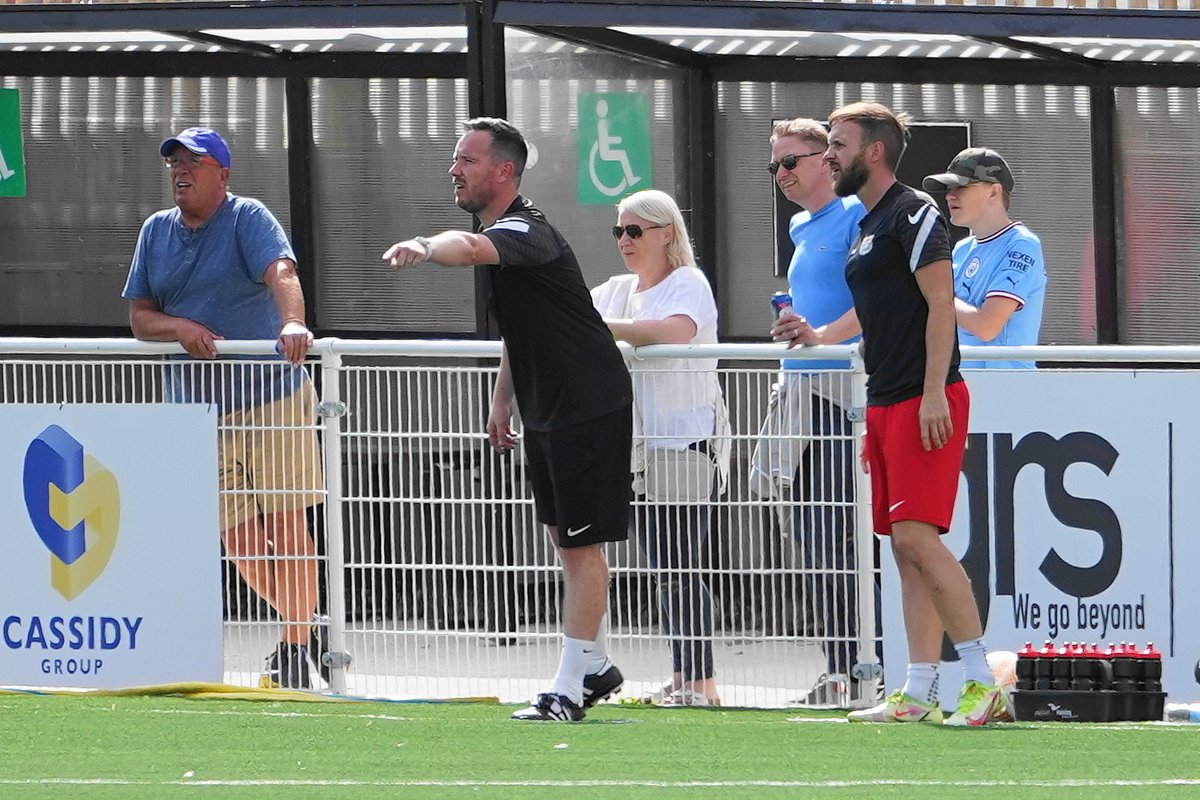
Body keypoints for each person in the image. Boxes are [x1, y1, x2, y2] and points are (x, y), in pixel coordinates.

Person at [382, 117, 633, 722]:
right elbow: (522, 331)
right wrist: (503, 400)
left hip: (587, 402)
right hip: (546, 406)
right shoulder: (505, 234)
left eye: (466, 160)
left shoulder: (526, 229)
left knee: (581, 548)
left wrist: (423, 246)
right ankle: (595, 666)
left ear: (504, 172)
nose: (454, 169)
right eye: (455, 159)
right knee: (563, 537)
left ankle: (569, 689)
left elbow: (464, 248)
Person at [811, 102, 1002, 726]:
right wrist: (817, 339)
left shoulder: (913, 210)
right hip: (885, 400)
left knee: (920, 537)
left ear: (873, 152)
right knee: (900, 546)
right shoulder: (866, 225)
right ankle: (918, 689)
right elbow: (876, 311)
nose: (827, 155)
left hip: (926, 398)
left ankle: (980, 679)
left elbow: (940, 304)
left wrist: (929, 393)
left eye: (837, 144)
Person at [122, 127, 327, 690]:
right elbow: (140, 319)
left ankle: (292, 644)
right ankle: (305, 622)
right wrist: (179, 327)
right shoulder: (154, 231)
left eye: (195, 160)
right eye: (174, 162)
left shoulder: (248, 217)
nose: (180, 170)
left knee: (286, 527)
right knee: (235, 539)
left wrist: (292, 321)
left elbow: (282, 272)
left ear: (223, 174)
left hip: (271, 397)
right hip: (196, 411)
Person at [590, 189, 728, 707]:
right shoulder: (616, 290)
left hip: (684, 443)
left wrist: (597, 328)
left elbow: (673, 331)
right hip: (636, 450)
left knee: (679, 565)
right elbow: (573, 315)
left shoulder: (687, 282)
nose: (624, 241)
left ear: (667, 232)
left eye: (635, 231)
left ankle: (701, 681)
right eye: (618, 231)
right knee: (664, 566)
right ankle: (683, 675)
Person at [752, 118, 872, 706]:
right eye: (774, 166)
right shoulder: (800, 225)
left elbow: (872, 299)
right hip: (800, 395)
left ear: (828, 159)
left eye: (790, 162)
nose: (781, 175)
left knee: (834, 534)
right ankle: (838, 667)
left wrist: (823, 335)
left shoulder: (856, 216)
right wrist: (799, 329)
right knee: (807, 533)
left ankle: (857, 667)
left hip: (840, 400)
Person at [922, 148, 1047, 368]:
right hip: (961, 385)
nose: (950, 195)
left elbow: (986, 326)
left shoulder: (1022, 244)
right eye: (949, 188)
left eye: (962, 186)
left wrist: (932, 294)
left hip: (1006, 389)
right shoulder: (961, 249)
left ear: (994, 192)